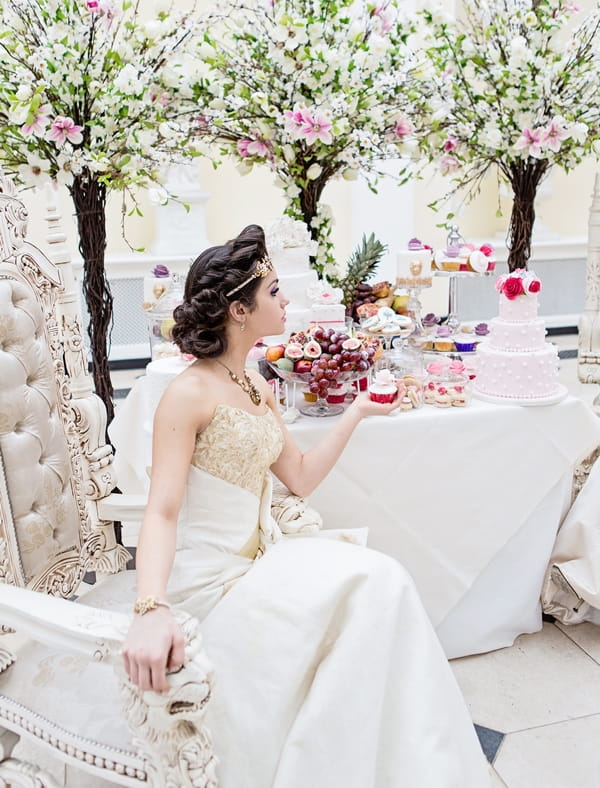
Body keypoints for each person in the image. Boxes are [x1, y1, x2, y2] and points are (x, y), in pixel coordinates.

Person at [122, 224, 489, 787]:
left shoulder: (255, 384)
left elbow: (299, 477)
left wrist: (358, 413)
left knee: (385, 583)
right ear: (239, 311)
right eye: (273, 291)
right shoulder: (187, 393)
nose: (285, 299)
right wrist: (152, 608)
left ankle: (397, 759)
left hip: (263, 558)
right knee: (373, 583)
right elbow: (161, 511)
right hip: (210, 578)